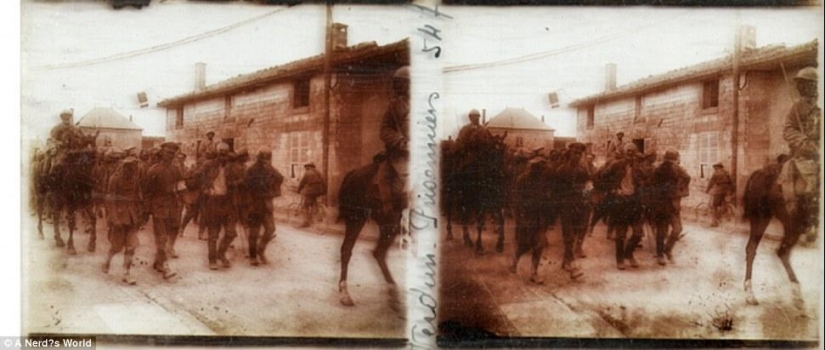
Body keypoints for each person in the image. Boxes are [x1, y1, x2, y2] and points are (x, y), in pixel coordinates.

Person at [782, 66, 821, 242]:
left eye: (806, 84)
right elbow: (788, 129)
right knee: (803, 189)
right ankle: (806, 224)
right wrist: (801, 140)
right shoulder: (797, 107)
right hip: (804, 155)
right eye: (801, 84)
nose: (802, 88)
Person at [192, 142, 240, 270]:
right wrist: (205, 189)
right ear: (217, 153)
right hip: (213, 202)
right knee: (213, 234)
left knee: (231, 233)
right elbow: (196, 176)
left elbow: (240, 180)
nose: (223, 156)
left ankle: (221, 253)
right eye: (220, 153)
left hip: (228, 202)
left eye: (225, 153)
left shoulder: (231, 167)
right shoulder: (208, 165)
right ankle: (212, 259)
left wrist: (234, 184)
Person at [599, 143, 646, 270]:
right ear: (625, 152)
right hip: (620, 203)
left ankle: (629, 253)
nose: (631, 153)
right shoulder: (616, 164)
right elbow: (602, 177)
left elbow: (645, 180)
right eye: (628, 151)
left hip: (634, 203)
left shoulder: (638, 167)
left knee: (638, 233)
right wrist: (613, 189)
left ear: (636, 152)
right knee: (620, 234)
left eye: (633, 151)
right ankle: (620, 259)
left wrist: (641, 187)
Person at [142, 142, 183, 279]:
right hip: (158, 207)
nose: (170, 156)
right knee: (162, 237)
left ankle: (158, 262)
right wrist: (147, 211)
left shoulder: (176, 169)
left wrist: (183, 201)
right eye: (167, 153)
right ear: (162, 153)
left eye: (172, 153)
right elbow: (147, 192)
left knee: (170, 233)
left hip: (172, 206)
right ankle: (165, 267)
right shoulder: (154, 170)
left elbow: (181, 186)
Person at [102, 155, 142, 285]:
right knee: (116, 247)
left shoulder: (135, 180)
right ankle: (107, 261)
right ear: (123, 167)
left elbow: (138, 198)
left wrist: (140, 216)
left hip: (132, 218)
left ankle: (126, 273)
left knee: (131, 247)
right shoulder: (115, 179)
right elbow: (110, 200)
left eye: (133, 168)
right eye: (128, 168)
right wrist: (114, 218)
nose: (130, 171)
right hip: (119, 218)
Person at [375, 66, 410, 214]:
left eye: (401, 83)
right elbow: (384, 130)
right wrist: (401, 142)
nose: (397, 88)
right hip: (400, 154)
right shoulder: (394, 106)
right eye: (397, 84)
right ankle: (392, 214)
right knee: (398, 185)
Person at [555, 143, 591, 279]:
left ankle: (565, 262)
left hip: (580, 206)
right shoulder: (561, 170)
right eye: (575, 153)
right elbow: (555, 191)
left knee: (574, 234)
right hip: (565, 206)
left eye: (579, 154)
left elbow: (588, 184)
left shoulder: (582, 170)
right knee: (568, 236)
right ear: (570, 153)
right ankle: (572, 266)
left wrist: (587, 194)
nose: (577, 156)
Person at [245, 148, 284, 265]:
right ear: (260, 158)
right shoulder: (252, 170)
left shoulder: (269, 169)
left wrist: (272, 188)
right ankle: (253, 256)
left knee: (271, 229)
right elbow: (246, 186)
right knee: (254, 232)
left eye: (268, 159)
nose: (266, 161)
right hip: (254, 204)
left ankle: (260, 250)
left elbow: (280, 178)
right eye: (264, 159)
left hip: (266, 204)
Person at [652, 150, 691, 265]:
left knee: (663, 231)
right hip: (667, 204)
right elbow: (687, 177)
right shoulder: (674, 168)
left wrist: (678, 189)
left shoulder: (659, 169)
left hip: (666, 204)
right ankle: (663, 253)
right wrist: (680, 190)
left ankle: (663, 252)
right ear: (674, 158)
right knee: (675, 229)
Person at [298, 162, 326, 228]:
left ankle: (305, 222)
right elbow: (323, 182)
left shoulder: (307, 173)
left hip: (311, 191)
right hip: (319, 190)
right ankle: (316, 214)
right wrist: (324, 191)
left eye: (306, 168)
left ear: (308, 167)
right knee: (313, 202)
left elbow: (302, 183)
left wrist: (298, 190)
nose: (305, 169)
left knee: (305, 206)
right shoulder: (318, 172)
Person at [705, 163, 733, 227]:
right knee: (723, 204)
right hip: (726, 191)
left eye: (715, 168)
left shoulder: (716, 174)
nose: (714, 169)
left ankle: (714, 222)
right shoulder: (727, 173)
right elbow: (731, 181)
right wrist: (732, 190)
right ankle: (723, 217)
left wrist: (707, 190)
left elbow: (711, 182)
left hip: (719, 191)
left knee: (714, 206)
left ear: (717, 167)